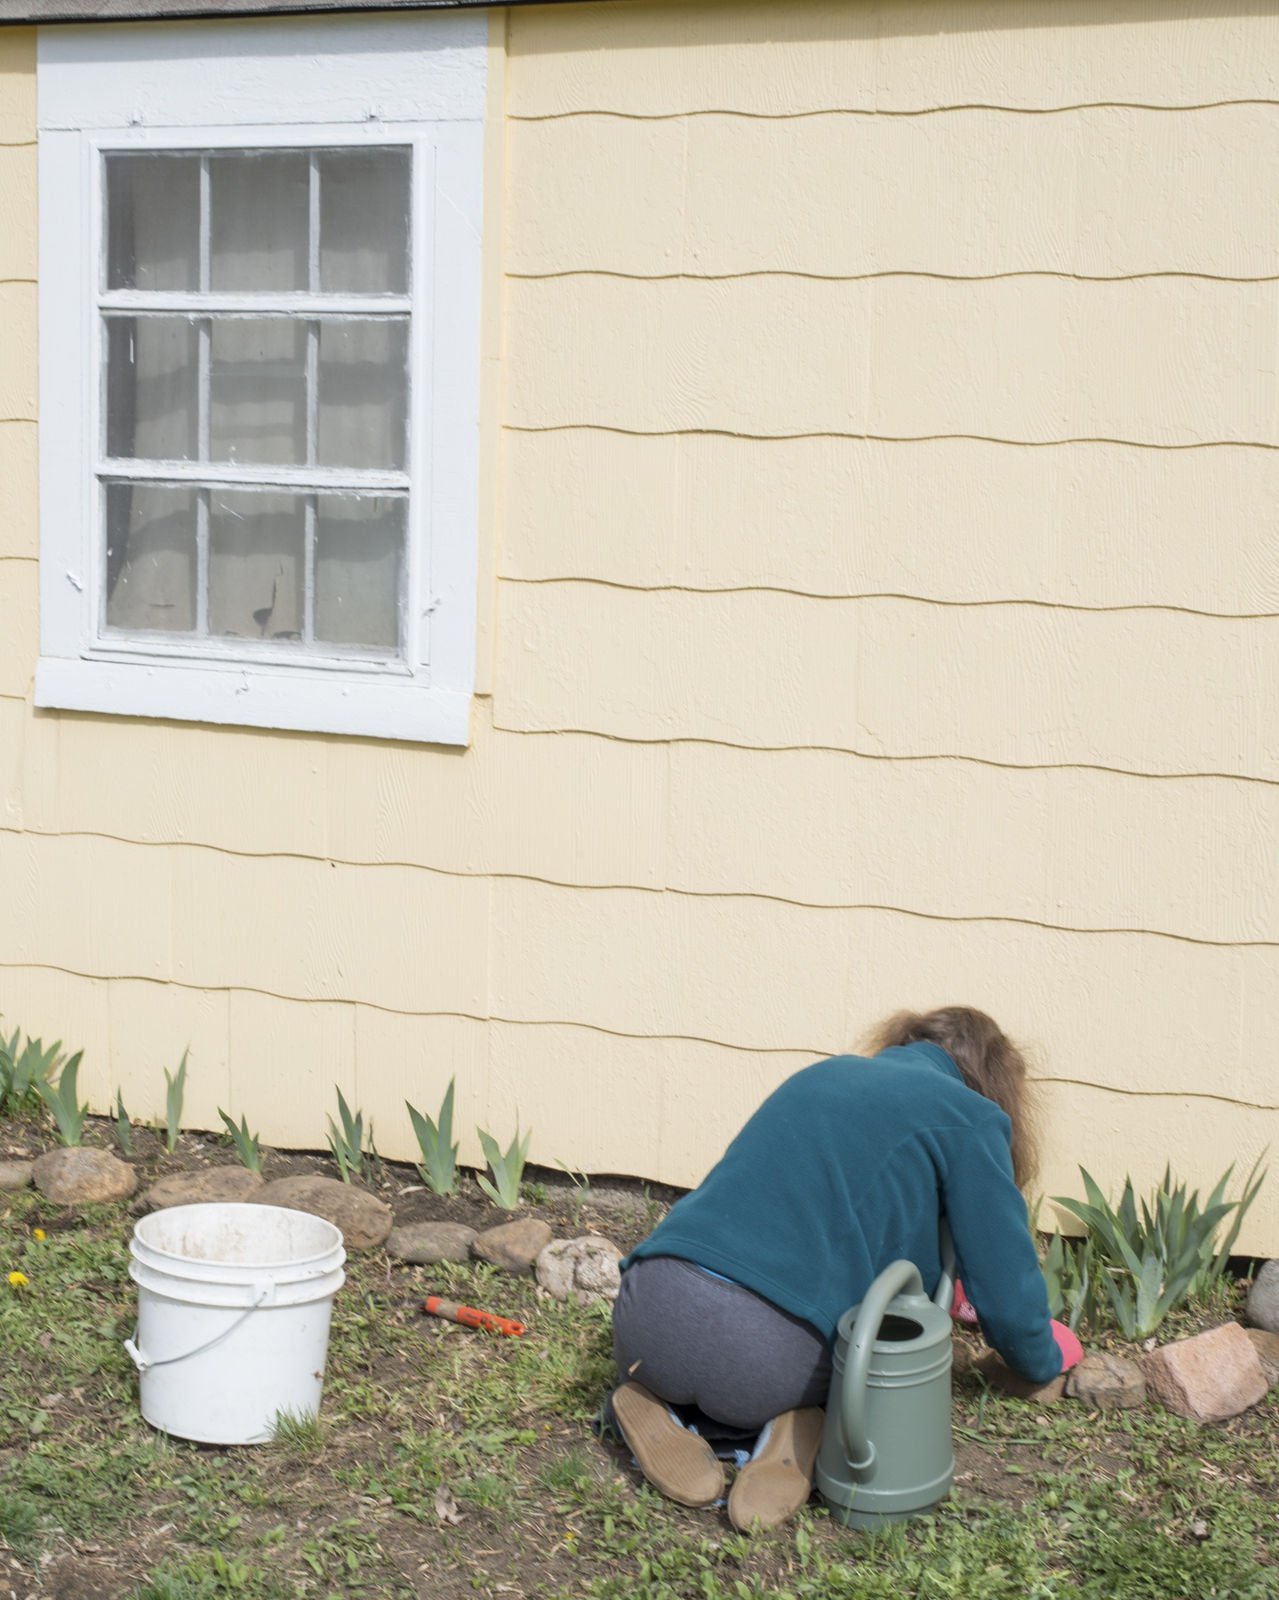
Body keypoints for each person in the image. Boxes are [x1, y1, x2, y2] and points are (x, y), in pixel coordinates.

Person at [605, 1006, 1084, 1531]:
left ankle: (661, 1404)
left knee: (712, 1341)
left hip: (646, 1309)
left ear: (904, 1041)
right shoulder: (970, 1115)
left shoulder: (821, 1074)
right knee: (833, 1376)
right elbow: (1005, 1285)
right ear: (992, 1078)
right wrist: (1039, 1357)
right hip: (765, 1354)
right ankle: (785, 1426)